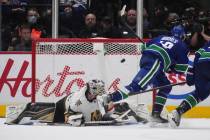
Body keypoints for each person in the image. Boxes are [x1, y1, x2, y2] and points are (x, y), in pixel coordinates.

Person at [105, 25, 190, 126]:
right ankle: (108, 98)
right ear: (183, 36)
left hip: (148, 60)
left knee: (166, 86)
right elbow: (181, 69)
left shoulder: (161, 37)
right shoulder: (182, 45)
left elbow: (143, 47)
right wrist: (171, 68)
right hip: (155, 63)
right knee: (135, 87)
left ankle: (155, 115)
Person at [6, 79, 145, 126]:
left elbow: (106, 106)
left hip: (86, 111)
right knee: (40, 110)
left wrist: (109, 109)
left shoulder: (98, 96)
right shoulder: (77, 101)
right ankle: (16, 113)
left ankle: (142, 114)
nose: (101, 93)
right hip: (63, 107)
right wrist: (74, 118)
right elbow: (69, 116)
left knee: (124, 105)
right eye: (98, 91)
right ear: (91, 91)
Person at [168, 35, 210, 128]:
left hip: (201, 64)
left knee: (200, 94)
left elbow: (198, 54)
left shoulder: (207, 45)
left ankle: (178, 111)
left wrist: (191, 74)